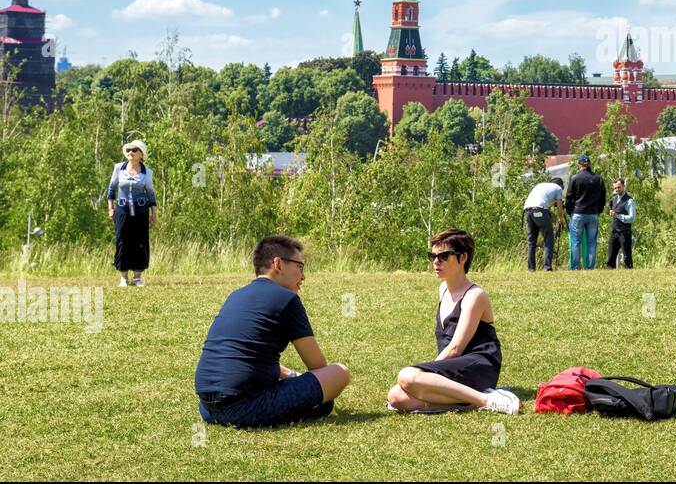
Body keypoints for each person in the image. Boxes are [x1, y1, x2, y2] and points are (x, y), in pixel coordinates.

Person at [194, 235, 351, 428]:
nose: (303, 277)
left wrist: (292, 376)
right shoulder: (287, 299)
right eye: (299, 267)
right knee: (339, 373)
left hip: (208, 409)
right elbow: (318, 367)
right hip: (246, 408)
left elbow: (246, 357)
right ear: (278, 263)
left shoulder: (236, 295)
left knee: (320, 396)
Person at [387, 229, 519, 414]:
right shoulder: (443, 289)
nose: (435, 261)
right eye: (432, 256)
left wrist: (428, 371)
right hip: (454, 366)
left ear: (463, 257)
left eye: (443, 256)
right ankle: (470, 401)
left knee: (407, 376)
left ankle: (487, 399)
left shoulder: (474, 295)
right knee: (396, 397)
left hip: (479, 364)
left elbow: (456, 348)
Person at [108, 140, 157, 287]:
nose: (130, 152)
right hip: (122, 210)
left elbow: (150, 194)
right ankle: (123, 277)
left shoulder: (147, 172)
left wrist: (154, 214)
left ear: (141, 154)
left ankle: (137, 277)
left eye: (134, 150)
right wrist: (110, 208)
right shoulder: (118, 168)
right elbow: (111, 189)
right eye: (128, 149)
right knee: (122, 241)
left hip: (141, 212)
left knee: (140, 243)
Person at [565, 154, 606, 270]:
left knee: (576, 242)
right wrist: (599, 210)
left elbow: (569, 196)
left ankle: (575, 267)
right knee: (592, 242)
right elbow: (603, 197)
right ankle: (590, 267)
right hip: (593, 214)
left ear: (579, 165)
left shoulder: (575, 178)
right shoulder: (598, 179)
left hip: (578, 213)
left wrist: (569, 211)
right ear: (589, 164)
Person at [523, 176, 564, 272]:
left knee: (531, 241)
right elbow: (559, 206)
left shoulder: (541, 185)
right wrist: (560, 219)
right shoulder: (558, 188)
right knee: (548, 238)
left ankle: (531, 268)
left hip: (527, 210)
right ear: (560, 186)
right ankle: (547, 267)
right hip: (539, 210)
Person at [606, 177, 635, 269]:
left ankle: (631, 277)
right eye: (615, 188)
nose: (617, 189)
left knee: (627, 258)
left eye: (619, 187)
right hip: (614, 232)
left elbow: (632, 218)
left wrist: (617, 215)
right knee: (610, 258)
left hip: (624, 233)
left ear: (623, 186)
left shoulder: (629, 201)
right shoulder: (614, 199)